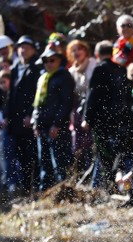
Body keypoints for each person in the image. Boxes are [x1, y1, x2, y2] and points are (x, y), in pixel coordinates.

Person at [82, 40, 130, 190]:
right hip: (119, 119)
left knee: (104, 153)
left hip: (101, 120)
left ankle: (108, 186)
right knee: (115, 151)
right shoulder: (121, 69)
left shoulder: (99, 69)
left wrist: (87, 119)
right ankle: (108, 184)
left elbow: (93, 95)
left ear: (97, 55)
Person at [32, 45, 76, 190]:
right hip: (43, 126)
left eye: (52, 60)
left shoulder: (64, 77)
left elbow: (66, 102)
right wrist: (36, 123)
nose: (49, 63)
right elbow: (37, 104)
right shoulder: (42, 78)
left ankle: (63, 190)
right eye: (46, 60)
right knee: (43, 160)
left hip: (57, 126)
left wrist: (57, 124)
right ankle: (46, 191)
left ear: (59, 61)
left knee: (59, 161)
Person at [5, 36, 42, 193]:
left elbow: (38, 94)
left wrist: (30, 114)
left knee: (33, 152)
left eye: (26, 47)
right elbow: (11, 94)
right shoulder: (15, 68)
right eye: (20, 47)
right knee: (20, 155)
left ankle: (37, 185)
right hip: (16, 120)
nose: (23, 50)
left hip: (29, 118)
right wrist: (7, 115)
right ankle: (26, 187)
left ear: (33, 49)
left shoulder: (38, 67)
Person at [67, 39, 97, 173]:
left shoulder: (93, 64)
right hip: (77, 109)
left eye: (79, 49)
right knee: (79, 143)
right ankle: (82, 172)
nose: (76, 52)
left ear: (85, 50)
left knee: (92, 140)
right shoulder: (72, 71)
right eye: (73, 50)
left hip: (91, 106)